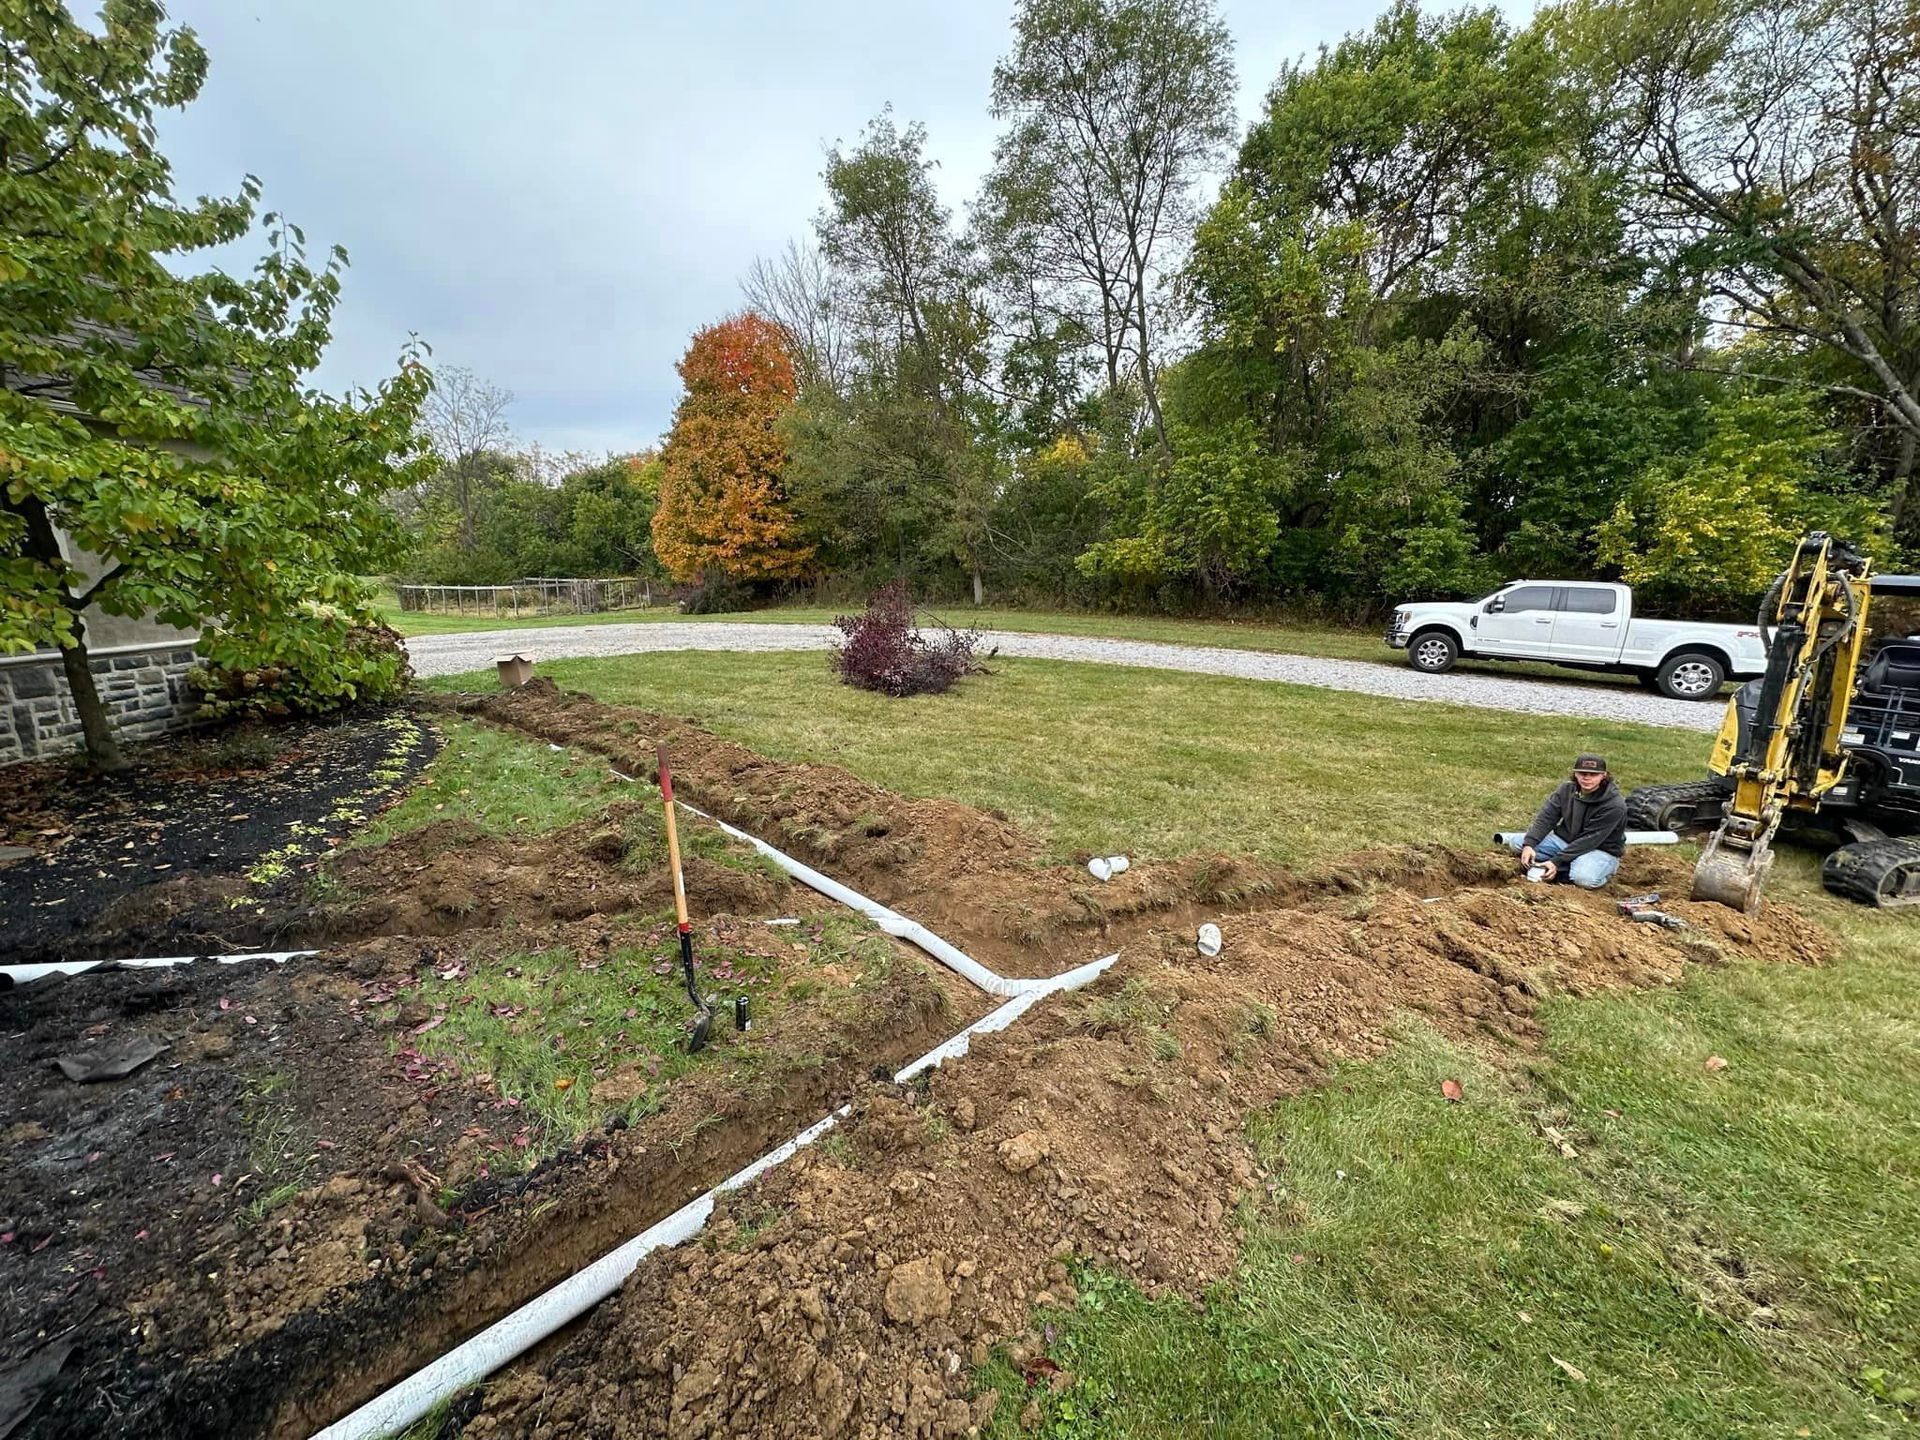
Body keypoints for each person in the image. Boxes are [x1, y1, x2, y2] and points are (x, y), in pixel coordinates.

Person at [1497, 754, 1627, 890]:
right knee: (1517, 843)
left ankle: (1592, 869)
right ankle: (1568, 864)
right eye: (1582, 773)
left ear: (1603, 776)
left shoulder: (1614, 805)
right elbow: (1546, 818)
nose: (1587, 778)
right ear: (1575, 774)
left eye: (1593, 775)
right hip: (1565, 841)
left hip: (1598, 849)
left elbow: (1590, 840)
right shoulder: (1566, 790)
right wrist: (1530, 844)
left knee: (1584, 879)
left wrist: (1556, 861)